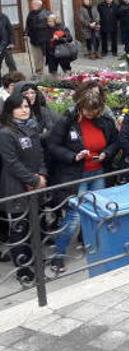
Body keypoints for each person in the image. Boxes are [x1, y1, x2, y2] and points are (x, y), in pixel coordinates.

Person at [47, 82, 120, 272]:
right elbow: (53, 146)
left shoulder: (104, 119)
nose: (91, 115)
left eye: (94, 112)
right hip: (76, 174)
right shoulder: (67, 120)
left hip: (98, 171)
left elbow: (114, 141)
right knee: (74, 218)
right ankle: (58, 255)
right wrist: (73, 156)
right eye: (88, 112)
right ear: (81, 106)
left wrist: (106, 153)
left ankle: (96, 248)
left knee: (98, 212)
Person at [0, 93, 47, 283]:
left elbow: (40, 154)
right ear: (11, 111)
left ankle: (37, 262)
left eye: (27, 106)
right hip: (16, 186)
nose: (24, 110)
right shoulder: (5, 133)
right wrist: (33, 179)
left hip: (35, 182)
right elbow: (11, 162)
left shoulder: (32, 127)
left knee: (35, 224)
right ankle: (24, 270)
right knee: (19, 228)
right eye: (19, 107)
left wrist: (42, 174)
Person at [24, 0, 50, 76]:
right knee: (37, 57)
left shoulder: (47, 13)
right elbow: (27, 25)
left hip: (44, 39)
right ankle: (39, 72)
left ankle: (51, 70)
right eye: (32, 4)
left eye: (34, 4)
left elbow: (52, 24)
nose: (32, 5)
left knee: (47, 56)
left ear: (39, 5)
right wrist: (25, 34)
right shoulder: (30, 14)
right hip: (34, 39)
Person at [0, 7, 15, 73]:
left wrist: (11, 42)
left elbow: (10, 30)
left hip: (6, 44)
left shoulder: (4, 17)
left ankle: (14, 79)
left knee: (11, 63)